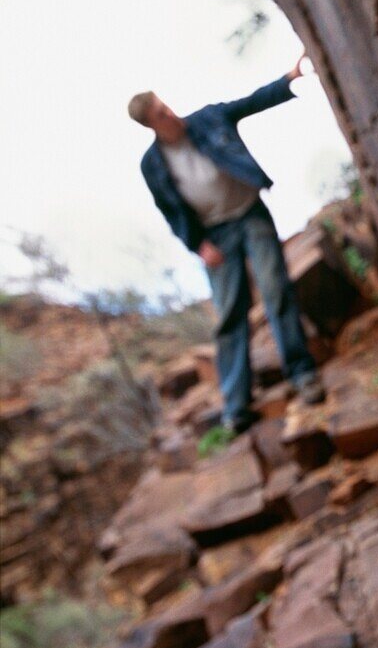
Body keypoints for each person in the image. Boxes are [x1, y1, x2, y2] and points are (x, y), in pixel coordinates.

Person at [128, 55, 324, 433]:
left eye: (165, 105)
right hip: (215, 235)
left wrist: (290, 77)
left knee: (275, 289)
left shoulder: (206, 120)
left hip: (250, 213)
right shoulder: (152, 165)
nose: (170, 113)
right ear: (150, 124)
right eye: (160, 113)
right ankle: (236, 405)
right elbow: (170, 211)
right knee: (231, 314)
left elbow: (250, 102)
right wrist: (198, 245)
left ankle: (302, 374)